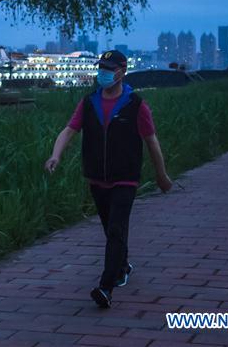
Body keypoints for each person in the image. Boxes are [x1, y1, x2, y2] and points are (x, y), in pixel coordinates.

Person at [44, 49, 173, 309]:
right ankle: (122, 264)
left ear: (122, 72)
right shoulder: (88, 102)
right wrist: (55, 155)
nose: (103, 73)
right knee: (110, 229)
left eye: (109, 69)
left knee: (116, 228)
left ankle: (106, 287)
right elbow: (69, 131)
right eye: (101, 68)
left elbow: (151, 142)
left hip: (125, 178)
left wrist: (161, 175)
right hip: (96, 177)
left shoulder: (136, 105)